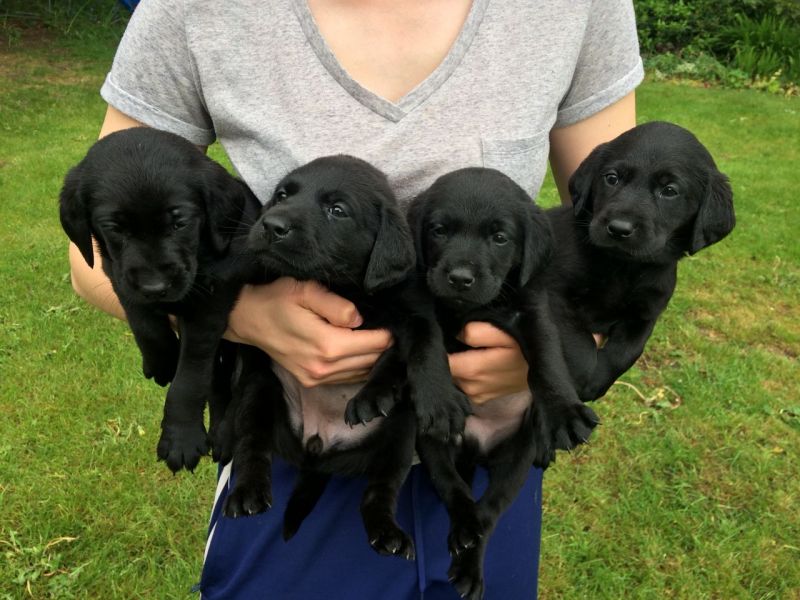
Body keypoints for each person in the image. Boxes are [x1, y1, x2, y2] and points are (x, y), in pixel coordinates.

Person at [68, 1, 643, 597]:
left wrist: (555, 359)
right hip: (292, 435)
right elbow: (95, 256)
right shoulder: (194, 9)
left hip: (478, 448)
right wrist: (245, 318)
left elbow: (623, 239)